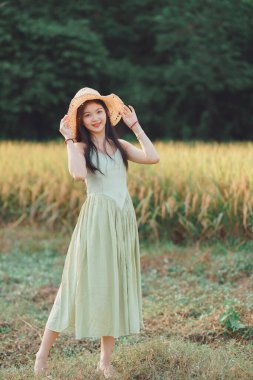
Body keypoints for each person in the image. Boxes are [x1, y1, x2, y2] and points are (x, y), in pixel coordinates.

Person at [34, 87, 160, 379]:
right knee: (74, 285)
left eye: (99, 112)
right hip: (96, 222)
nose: (95, 118)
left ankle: (104, 362)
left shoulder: (122, 146)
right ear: (80, 121)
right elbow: (78, 174)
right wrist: (68, 139)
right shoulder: (79, 148)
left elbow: (152, 158)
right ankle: (41, 357)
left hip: (121, 219)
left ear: (107, 114)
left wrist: (136, 126)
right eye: (87, 114)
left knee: (112, 286)